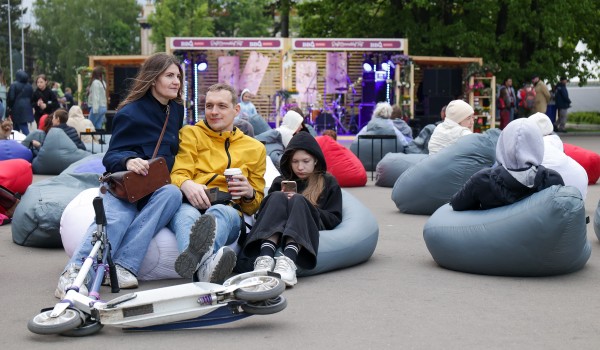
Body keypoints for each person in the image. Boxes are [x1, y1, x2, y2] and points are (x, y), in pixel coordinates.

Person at [55, 53, 185, 299]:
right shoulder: (130, 112)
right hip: (128, 185)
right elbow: (112, 155)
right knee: (115, 220)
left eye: (178, 76)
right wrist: (129, 160)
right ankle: (75, 274)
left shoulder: (176, 110)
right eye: (169, 76)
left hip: (157, 186)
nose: (176, 81)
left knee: (172, 194)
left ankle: (124, 265)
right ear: (153, 78)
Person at [168, 83, 266, 283]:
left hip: (227, 207)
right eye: (209, 106)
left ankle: (194, 263)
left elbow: (255, 204)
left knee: (220, 213)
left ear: (236, 110)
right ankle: (203, 270)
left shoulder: (255, 148)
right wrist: (186, 183)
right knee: (185, 215)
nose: (213, 112)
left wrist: (248, 192)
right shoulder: (190, 133)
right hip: (190, 202)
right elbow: (178, 172)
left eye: (221, 106)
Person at [240, 132, 343, 286]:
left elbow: (334, 218)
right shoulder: (281, 181)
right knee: (276, 197)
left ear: (315, 160)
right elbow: (263, 214)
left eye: (305, 161)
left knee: (298, 200)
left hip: (307, 225)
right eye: (295, 161)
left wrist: (307, 207)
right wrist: (282, 201)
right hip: (279, 225)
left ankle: (288, 260)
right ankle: (265, 258)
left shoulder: (327, 182)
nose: (300, 167)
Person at [450, 118, 564, 211]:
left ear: (502, 143)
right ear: (538, 145)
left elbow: (456, 204)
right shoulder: (552, 180)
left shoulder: (482, 180)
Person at [6, 70, 34, 135]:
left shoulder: (14, 85)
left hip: (17, 109)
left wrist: (9, 106)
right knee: (17, 126)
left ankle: (30, 141)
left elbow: (11, 97)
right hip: (27, 108)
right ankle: (17, 141)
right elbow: (32, 97)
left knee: (22, 126)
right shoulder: (29, 86)